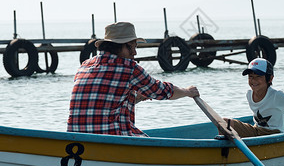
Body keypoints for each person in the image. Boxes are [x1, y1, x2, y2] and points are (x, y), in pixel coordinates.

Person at [68, 21, 199, 137]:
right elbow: (162, 91)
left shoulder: (85, 65)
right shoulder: (129, 68)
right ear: (121, 46)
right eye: (133, 46)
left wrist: (138, 97)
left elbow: (104, 102)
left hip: (76, 139)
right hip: (111, 140)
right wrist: (187, 92)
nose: (135, 53)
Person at [222, 58, 284, 138]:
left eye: (258, 77)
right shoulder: (249, 94)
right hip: (257, 130)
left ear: (270, 79)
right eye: (251, 77)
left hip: (276, 134)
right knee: (224, 122)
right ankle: (224, 150)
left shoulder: (276, 96)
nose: (253, 81)